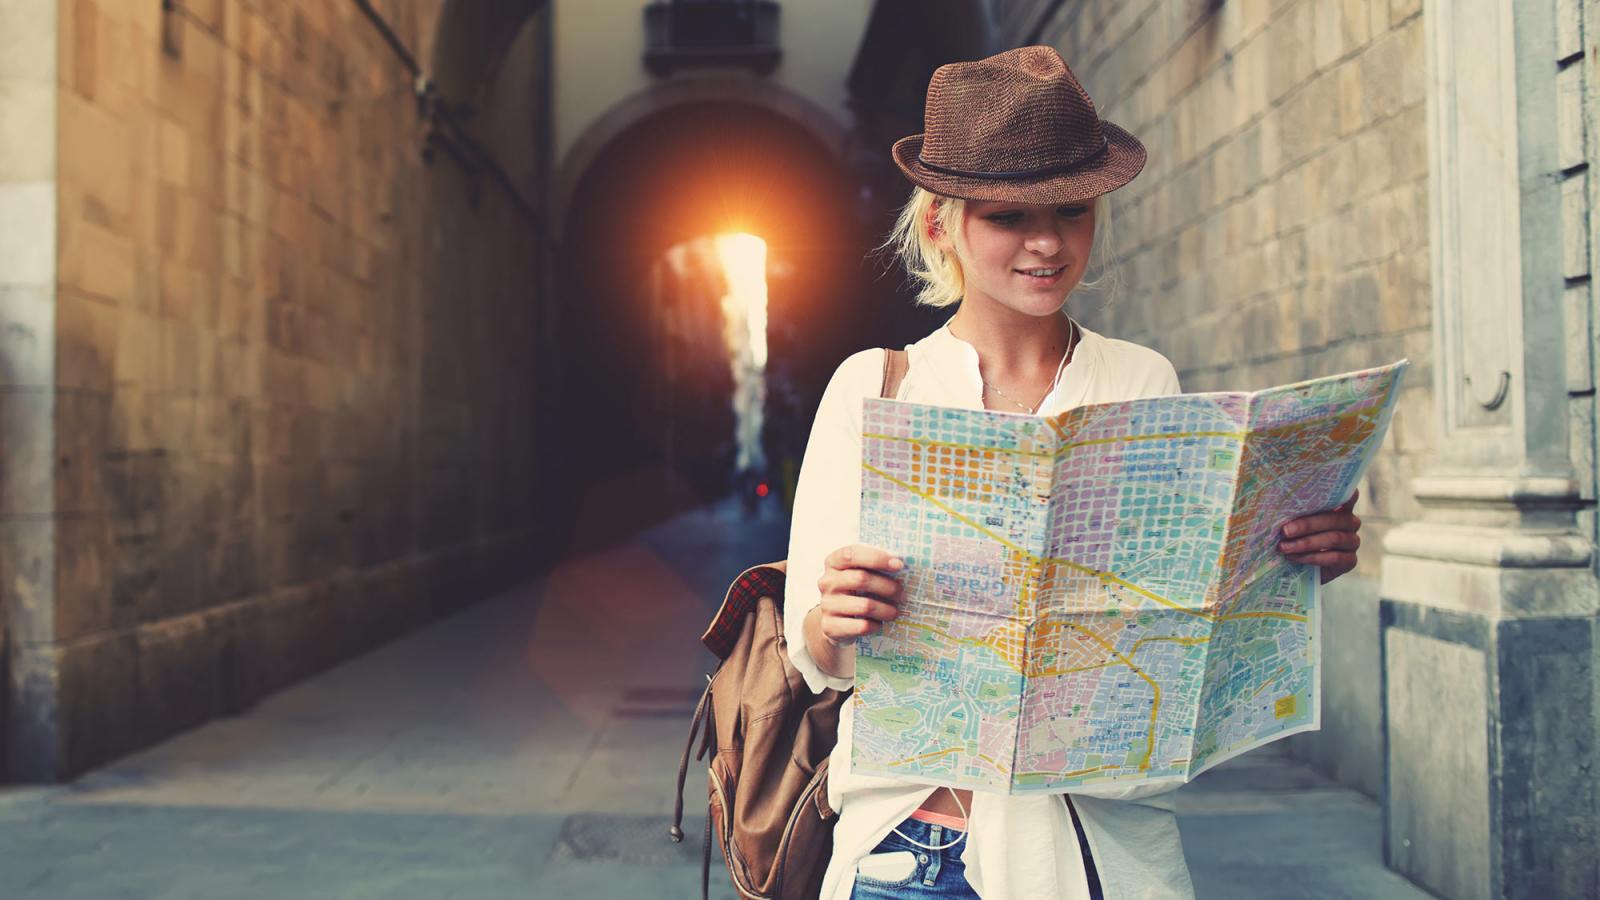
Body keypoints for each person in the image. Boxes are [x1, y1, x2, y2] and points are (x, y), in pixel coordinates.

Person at [783, 47, 1363, 900]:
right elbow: (815, 653)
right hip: (909, 853)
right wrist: (835, 617)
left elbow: (1182, 623)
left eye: (1072, 210)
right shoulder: (873, 386)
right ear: (942, 224)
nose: (1048, 243)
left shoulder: (1141, 381)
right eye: (1009, 217)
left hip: (1096, 852)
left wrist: (1293, 563)